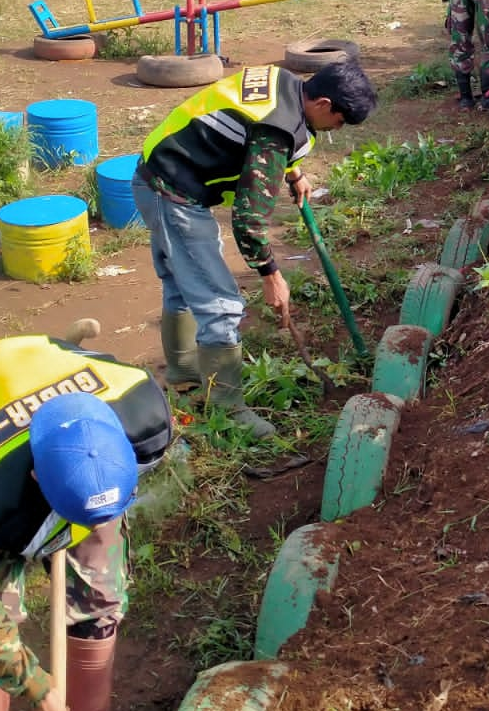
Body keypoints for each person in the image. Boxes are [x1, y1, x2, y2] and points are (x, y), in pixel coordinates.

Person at [0, 332, 173, 711]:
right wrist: (38, 689)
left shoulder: (145, 412)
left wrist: (93, 505)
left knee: (100, 590)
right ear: (36, 479)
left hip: (83, 437)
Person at [131, 60, 377, 432]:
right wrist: (271, 275)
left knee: (184, 282)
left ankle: (183, 370)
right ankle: (229, 413)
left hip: (162, 170)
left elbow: (263, 131)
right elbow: (248, 219)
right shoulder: (274, 132)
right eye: (340, 122)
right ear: (324, 103)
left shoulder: (287, 82)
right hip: (172, 190)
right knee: (221, 304)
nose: (336, 130)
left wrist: (294, 169)